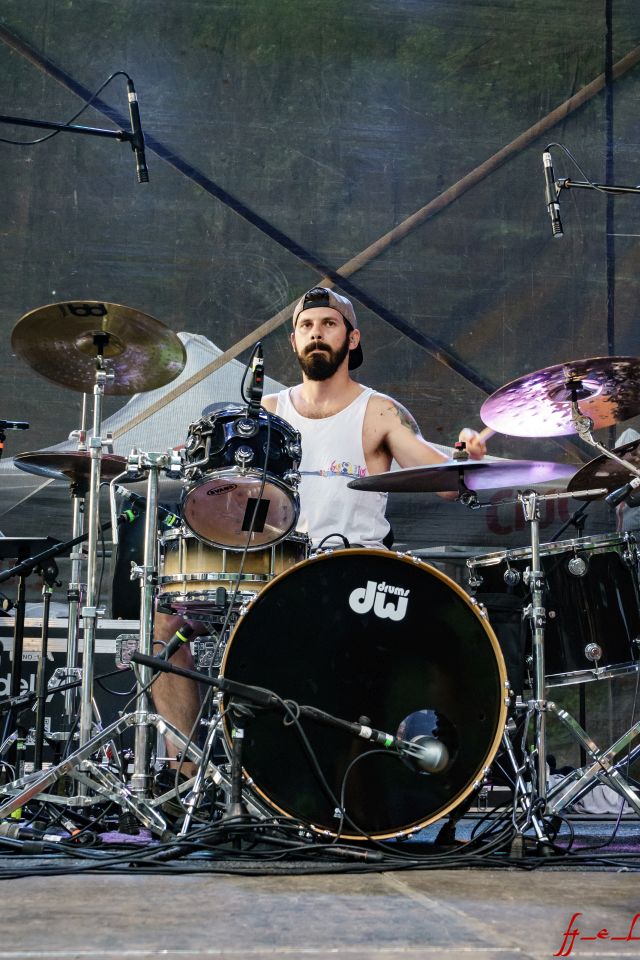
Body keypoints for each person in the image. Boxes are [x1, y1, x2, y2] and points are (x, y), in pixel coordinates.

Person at [151, 286, 487, 776]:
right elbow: (220, 495)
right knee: (165, 625)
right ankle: (183, 773)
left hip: (351, 575)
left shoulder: (378, 411)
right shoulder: (267, 412)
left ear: (352, 338)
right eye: (306, 326)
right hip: (273, 574)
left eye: (328, 324)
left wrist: (462, 458)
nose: (316, 334)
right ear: (293, 341)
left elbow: (443, 482)